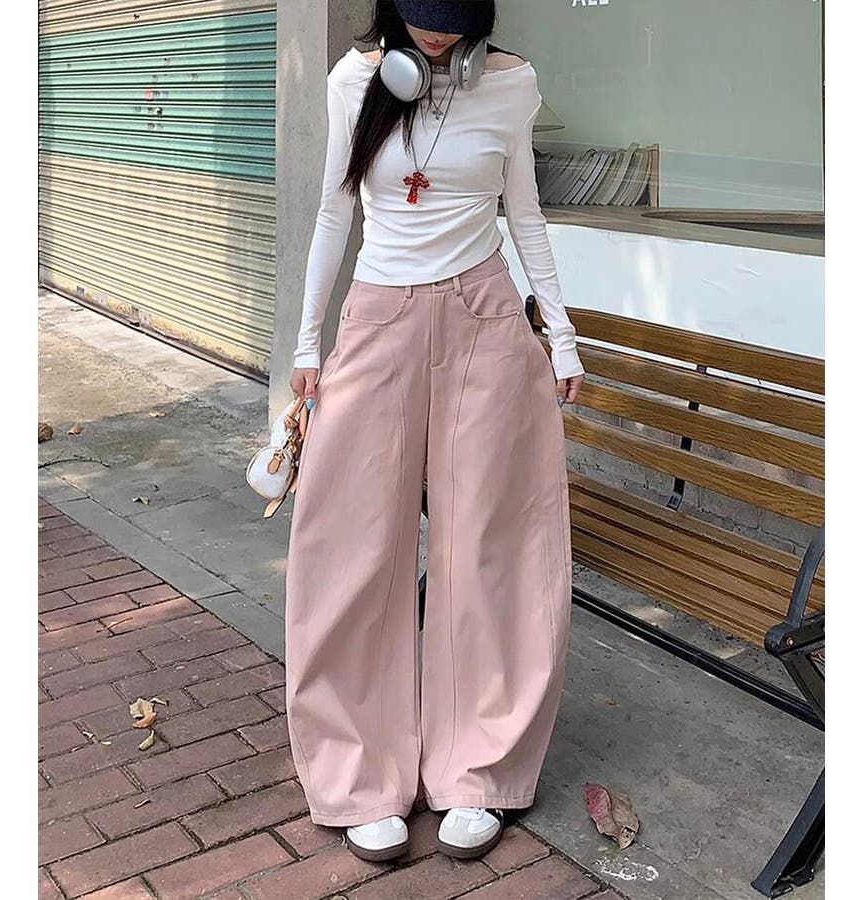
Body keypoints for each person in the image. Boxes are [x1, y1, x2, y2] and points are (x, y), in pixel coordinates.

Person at [285, 0, 585, 863]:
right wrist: (308, 342)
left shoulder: (512, 84)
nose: (438, 32)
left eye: (455, 15)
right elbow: (334, 213)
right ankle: (358, 772)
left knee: (492, 545)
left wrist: (561, 333)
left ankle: (478, 768)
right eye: (423, 13)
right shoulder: (354, 80)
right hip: (378, 319)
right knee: (350, 544)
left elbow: (525, 213)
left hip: (485, 318)